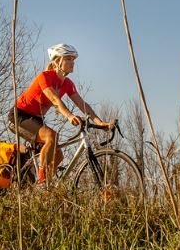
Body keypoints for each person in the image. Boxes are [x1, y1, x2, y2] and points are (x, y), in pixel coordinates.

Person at [8, 43, 114, 184]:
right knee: (51, 136)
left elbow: (81, 104)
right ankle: (42, 181)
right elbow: (55, 99)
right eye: (68, 59)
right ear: (57, 61)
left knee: (58, 156)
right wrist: (70, 116)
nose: (72, 62)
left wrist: (99, 122)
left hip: (37, 119)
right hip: (19, 116)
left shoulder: (67, 83)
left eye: (73, 59)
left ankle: (45, 188)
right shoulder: (44, 77)